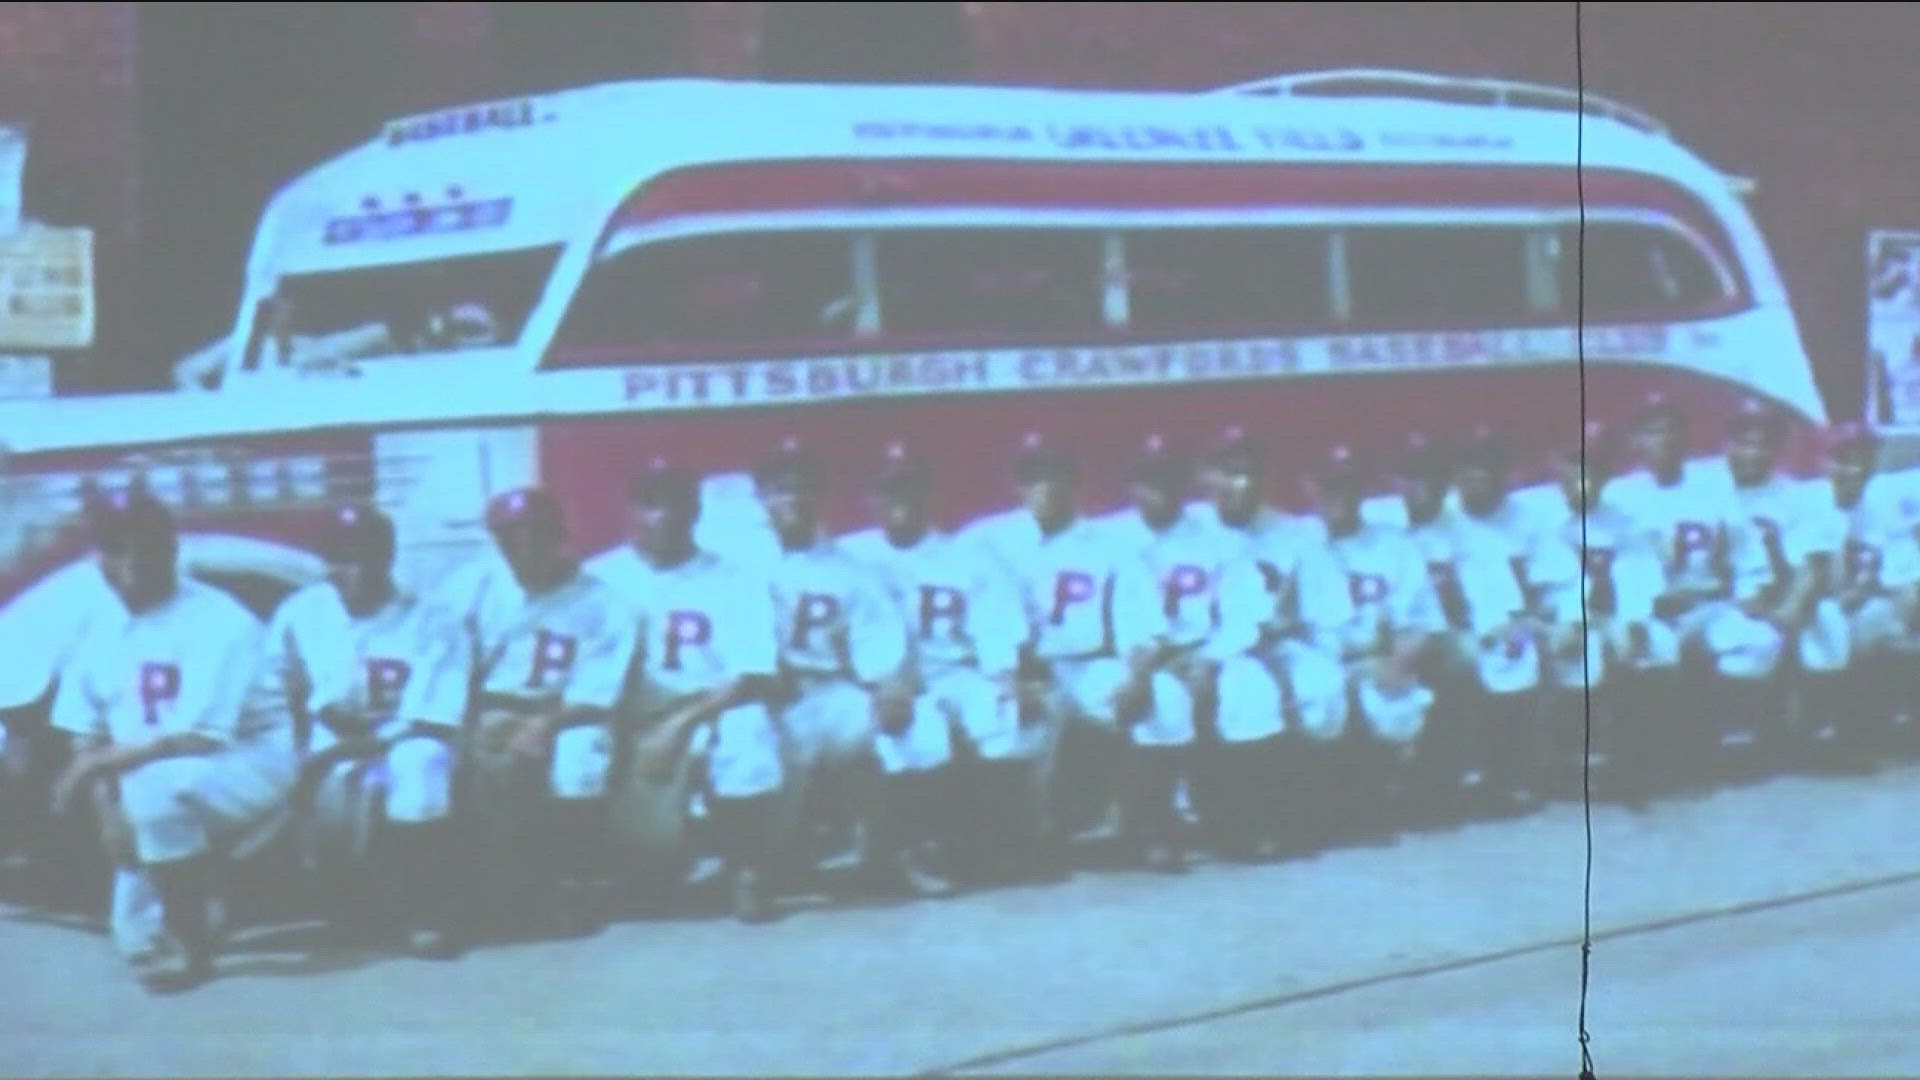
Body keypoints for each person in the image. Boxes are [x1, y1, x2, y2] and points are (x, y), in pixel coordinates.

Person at [48, 488, 292, 992]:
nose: (132, 562)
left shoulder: (218, 619)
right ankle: (199, 889)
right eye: (117, 547)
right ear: (100, 555)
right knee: (133, 936)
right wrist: (106, 808)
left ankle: (191, 940)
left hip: (253, 760)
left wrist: (92, 771)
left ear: (172, 550)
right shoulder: (95, 623)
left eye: (146, 546)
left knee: (156, 789)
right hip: (151, 769)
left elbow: (198, 737)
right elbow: (84, 728)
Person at [404, 487, 639, 942]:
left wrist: (544, 724)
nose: (526, 548)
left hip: (566, 713)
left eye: (537, 536)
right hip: (486, 709)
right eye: (513, 538)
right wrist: (469, 724)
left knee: (578, 759)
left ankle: (574, 885)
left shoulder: (602, 601)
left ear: (559, 537)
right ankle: (454, 897)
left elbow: (599, 687)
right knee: (434, 765)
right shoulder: (471, 587)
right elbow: (445, 667)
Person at [249, 504, 459, 958]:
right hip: (329, 735)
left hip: (405, 736)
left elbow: (431, 716)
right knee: (297, 788)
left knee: (420, 769)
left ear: (389, 556)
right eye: (341, 558)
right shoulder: (301, 611)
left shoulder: (430, 618)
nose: (356, 571)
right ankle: (339, 903)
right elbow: (272, 692)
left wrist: (334, 755)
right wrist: (299, 747)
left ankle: (426, 910)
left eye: (368, 556)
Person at [585, 458, 790, 923]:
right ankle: (602, 873)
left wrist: (681, 725)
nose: (664, 516)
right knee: (649, 863)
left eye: (676, 503)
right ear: (631, 511)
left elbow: (751, 673)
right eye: (650, 504)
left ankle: (747, 871)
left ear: (695, 511)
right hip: (632, 721)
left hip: (710, 709)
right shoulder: (600, 578)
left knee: (749, 731)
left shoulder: (732, 577)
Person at [963, 433, 1177, 875]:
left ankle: (1148, 829)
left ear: (1075, 483)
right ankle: (1018, 840)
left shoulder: (1108, 543)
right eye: (1033, 478)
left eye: (1056, 476)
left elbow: (1140, 619)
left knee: (1165, 699)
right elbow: (985, 620)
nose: (1046, 488)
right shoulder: (986, 540)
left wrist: (1137, 676)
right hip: (1026, 668)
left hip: (1090, 661)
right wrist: (1009, 679)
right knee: (1007, 718)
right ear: (1019, 485)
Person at [838, 442, 1030, 894]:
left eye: (909, 488)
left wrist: (1006, 678)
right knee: (917, 733)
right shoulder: (850, 555)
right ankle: (912, 848)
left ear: (928, 492)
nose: (899, 500)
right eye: (889, 490)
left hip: (951, 669)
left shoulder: (965, 555)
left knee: (1003, 720)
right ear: (872, 497)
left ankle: (992, 841)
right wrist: (878, 684)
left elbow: (994, 626)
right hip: (874, 680)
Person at [747, 437, 913, 891]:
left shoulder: (847, 567)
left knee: (895, 730)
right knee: (762, 746)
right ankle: (762, 868)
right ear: (762, 497)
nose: (793, 500)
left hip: (828, 686)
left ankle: (886, 855)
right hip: (759, 691)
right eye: (781, 489)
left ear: (821, 497)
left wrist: (887, 686)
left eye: (804, 489)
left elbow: (875, 640)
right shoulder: (738, 561)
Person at [1192, 426, 1354, 844]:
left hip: (1274, 643)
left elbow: (1327, 609)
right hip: (1199, 647)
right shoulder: (1190, 531)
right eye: (1227, 471)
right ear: (1206, 476)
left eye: (1248, 472)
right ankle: (1239, 822)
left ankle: (1299, 811)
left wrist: (1326, 652)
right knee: (1248, 692)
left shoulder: (1295, 533)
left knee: (1321, 684)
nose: (1238, 483)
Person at [1305, 444, 1443, 822]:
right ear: (1312, 488)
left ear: (1362, 491)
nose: (1339, 497)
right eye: (1330, 486)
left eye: (1348, 486)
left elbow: (1425, 622)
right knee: (1319, 699)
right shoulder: (1297, 543)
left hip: (1376, 656)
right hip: (1313, 661)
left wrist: (1396, 663)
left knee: (1397, 711)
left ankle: (1378, 795)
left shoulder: (1394, 546)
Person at [1824, 421, 1920, 754]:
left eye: (1858, 461)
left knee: (1871, 623)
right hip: (1815, 604)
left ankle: (1859, 731)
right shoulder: (1811, 502)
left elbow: (1904, 580)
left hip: (1868, 602)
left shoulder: (1882, 506)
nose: (1848, 470)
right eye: (1840, 459)